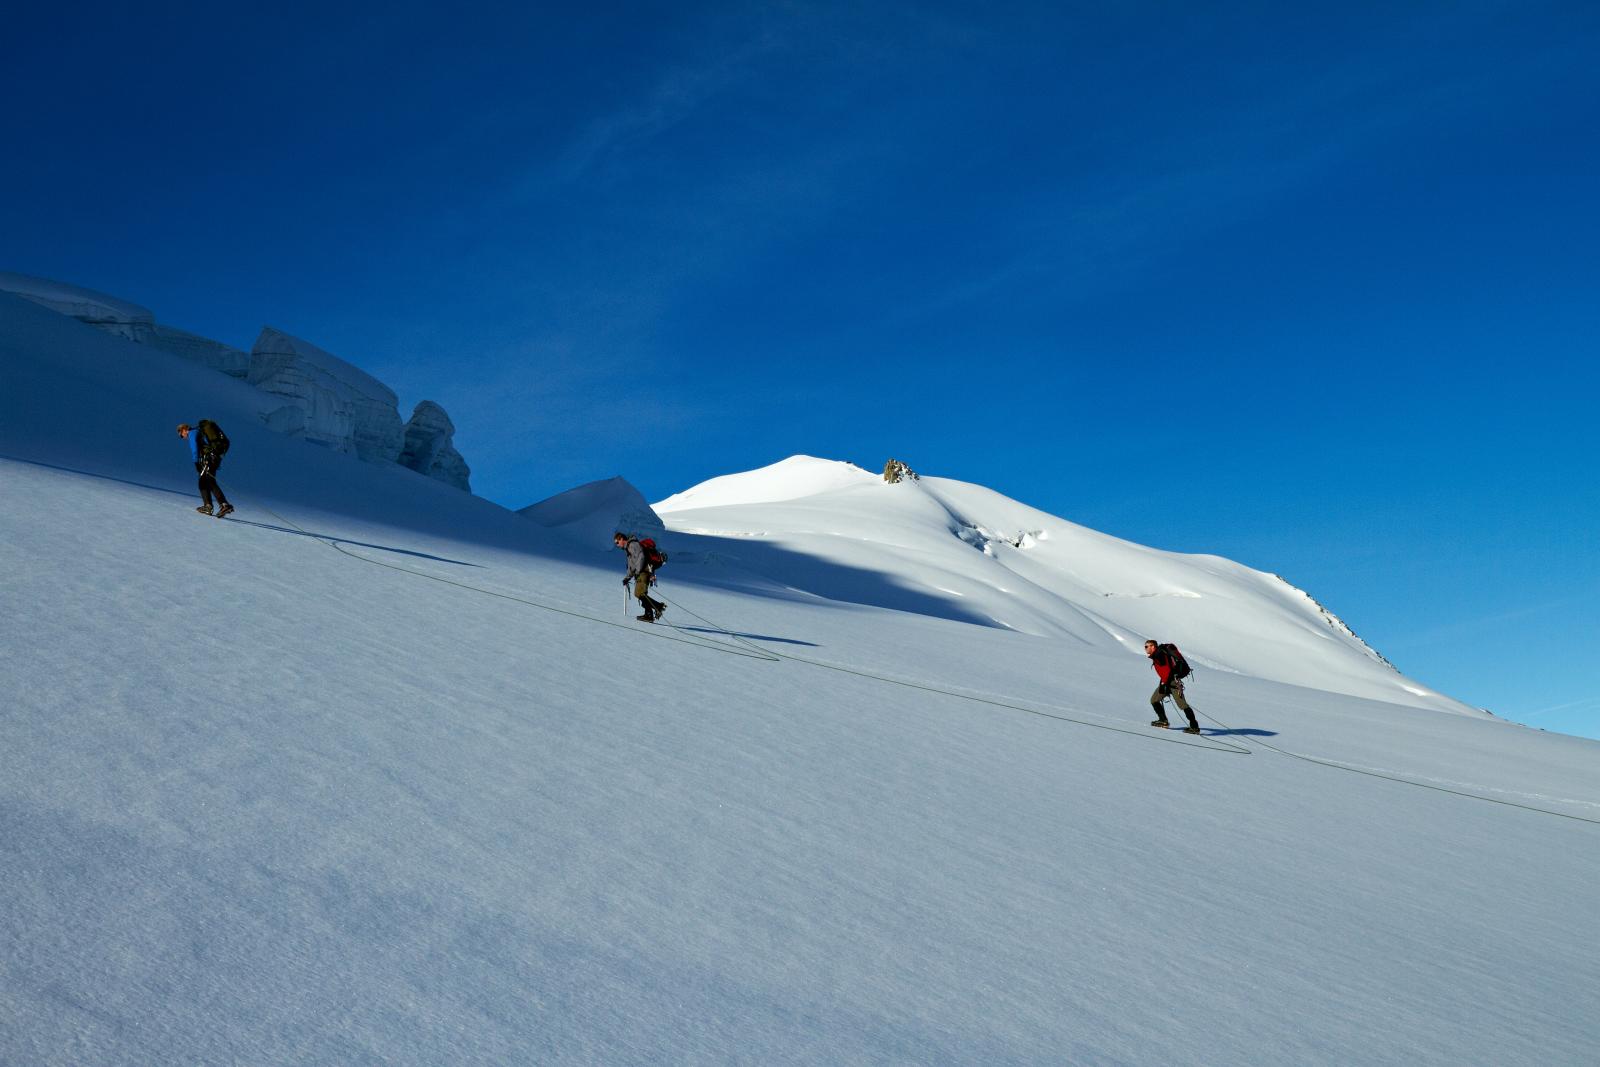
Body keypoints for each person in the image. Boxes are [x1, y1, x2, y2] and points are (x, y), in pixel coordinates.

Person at [177, 422, 233, 518]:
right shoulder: (198, 432)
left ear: (184, 430)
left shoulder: (192, 433)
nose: (183, 438)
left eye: (181, 435)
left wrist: (196, 462)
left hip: (208, 459)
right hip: (213, 459)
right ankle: (217, 505)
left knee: (204, 483)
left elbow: (194, 448)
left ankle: (215, 506)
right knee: (208, 481)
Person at [1145, 639, 1200, 733]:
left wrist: (1166, 683)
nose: (1145, 648)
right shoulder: (1158, 654)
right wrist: (1163, 683)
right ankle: (1163, 721)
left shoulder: (1159, 654)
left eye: (1147, 646)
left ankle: (1194, 727)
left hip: (1172, 683)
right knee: (1154, 700)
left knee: (1182, 705)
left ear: (1153, 647)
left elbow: (1168, 670)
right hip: (1167, 682)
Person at [614, 531, 667, 622]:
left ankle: (658, 607)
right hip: (642, 571)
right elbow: (631, 566)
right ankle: (649, 614)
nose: (617, 545)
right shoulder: (628, 548)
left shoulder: (632, 545)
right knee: (641, 593)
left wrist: (638, 571)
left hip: (644, 571)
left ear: (622, 539)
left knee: (639, 593)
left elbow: (641, 556)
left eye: (617, 542)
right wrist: (628, 577)